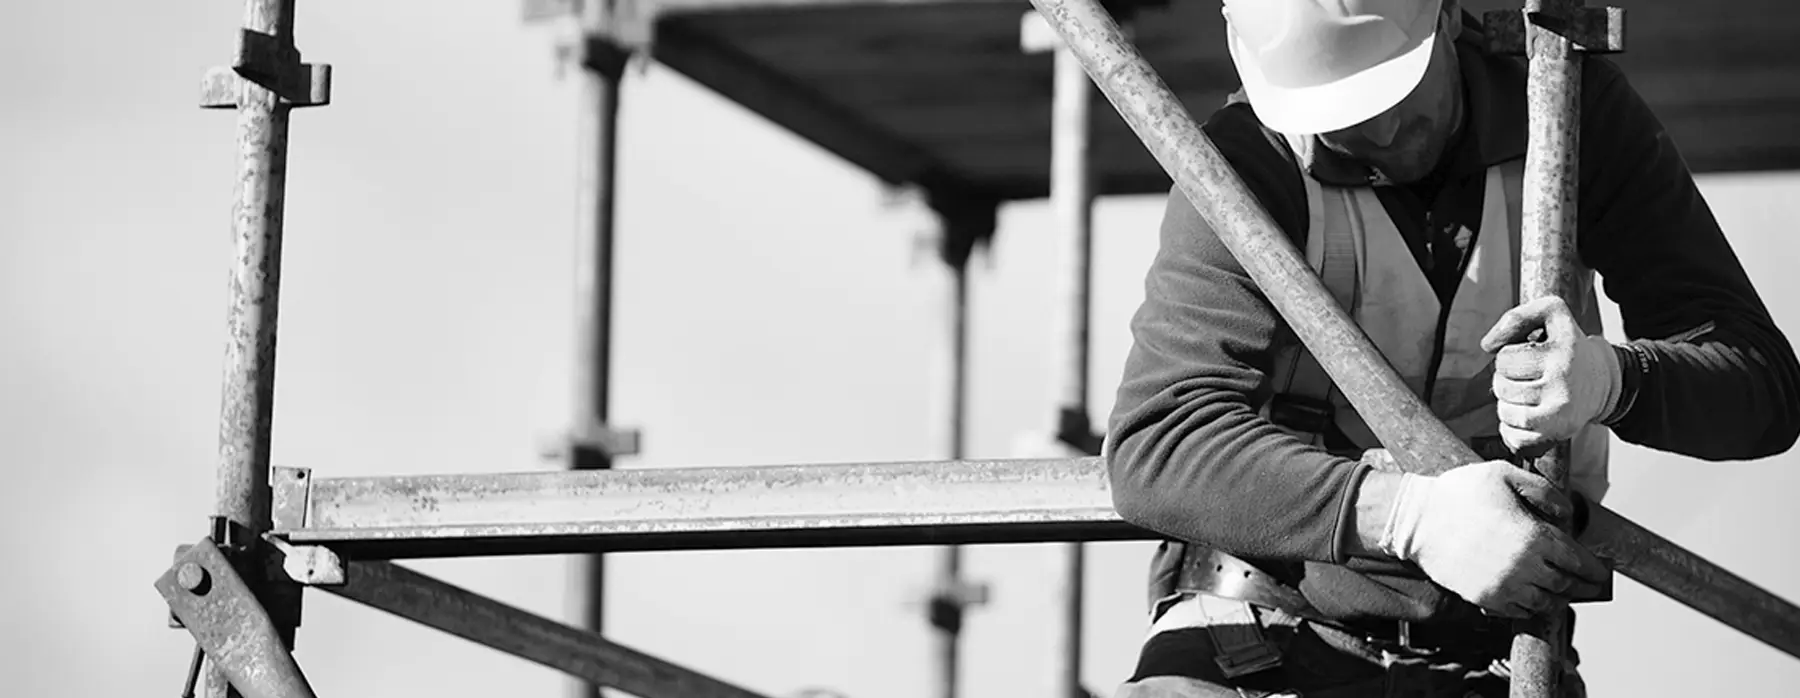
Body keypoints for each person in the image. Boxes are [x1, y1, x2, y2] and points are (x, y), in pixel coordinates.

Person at [1102, 0, 1800, 696]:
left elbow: (1762, 389)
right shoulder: (1246, 165)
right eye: (1336, 114)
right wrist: (1407, 516)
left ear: (1449, 19)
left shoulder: (1568, 113)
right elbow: (1159, 443)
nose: (1379, 129)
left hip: (1495, 658)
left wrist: (1614, 380)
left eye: (1397, 90)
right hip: (1255, 638)